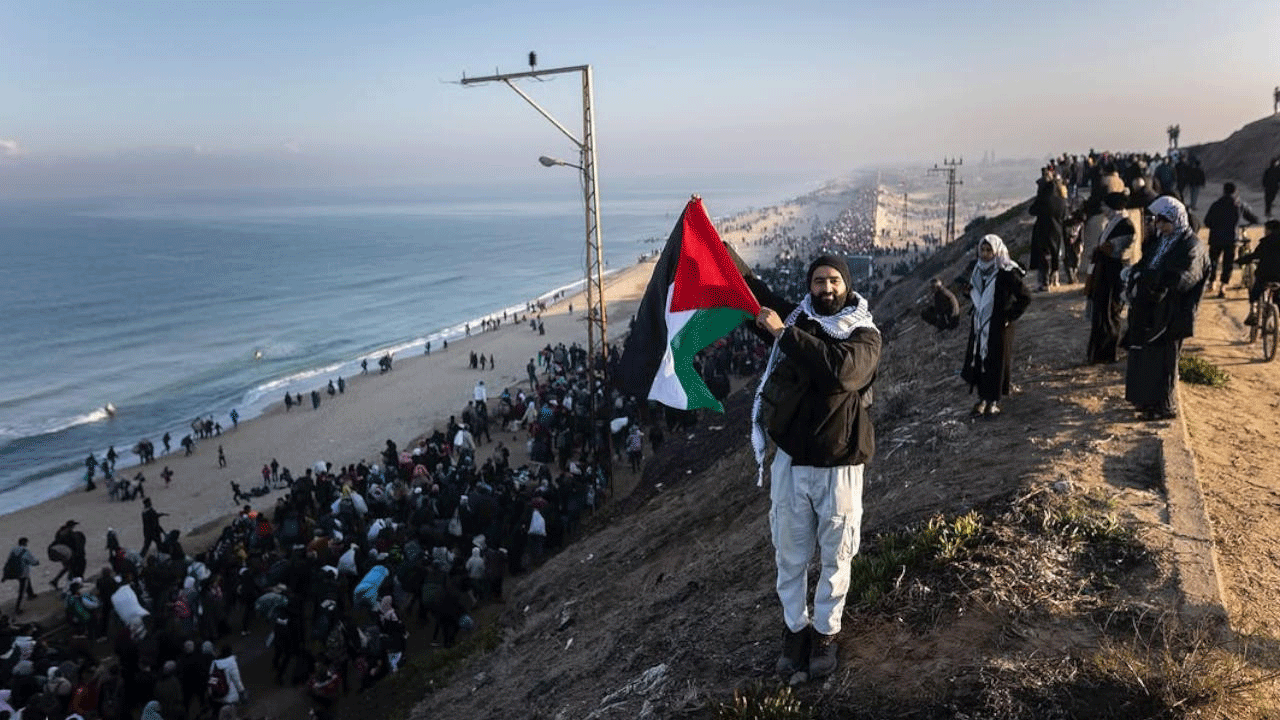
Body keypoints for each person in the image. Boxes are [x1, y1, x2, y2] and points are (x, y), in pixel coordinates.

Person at [744, 254, 881, 681]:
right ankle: (795, 630)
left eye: (834, 280)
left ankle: (825, 633)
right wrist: (726, 258)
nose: (826, 288)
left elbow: (840, 371)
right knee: (790, 555)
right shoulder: (799, 320)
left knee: (838, 555)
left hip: (839, 466)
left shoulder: (864, 334)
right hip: (791, 464)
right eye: (819, 280)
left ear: (847, 284)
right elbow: (758, 299)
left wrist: (784, 334)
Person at [1125, 196, 1210, 420]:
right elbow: (1148, 262)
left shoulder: (1191, 245)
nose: (1160, 225)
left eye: (1164, 220)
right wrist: (1136, 272)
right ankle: (1146, 402)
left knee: (1165, 360)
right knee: (1147, 356)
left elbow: (1185, 278)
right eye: (1158, 220)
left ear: (1176, 218)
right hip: (1152, 308)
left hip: (1172, 311)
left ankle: (1164, 406)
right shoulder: (1164, 241)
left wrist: (1154, 278)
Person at [961, 235, 1031, 417]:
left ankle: (994, 401)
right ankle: (982, 399)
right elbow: (979, 294)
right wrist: (969, 294)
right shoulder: (977, 270)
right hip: (981, 324)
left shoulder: (1006, 271)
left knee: (996, 363)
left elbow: (1025, 297)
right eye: (982, 250)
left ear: (997, 251)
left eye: (989, 251)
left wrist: (1009, 315)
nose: (985, 255)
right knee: (981, 361)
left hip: (999, 326)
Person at [1086, 192, 1137, 364]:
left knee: (1110, 312)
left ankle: (1107, 354)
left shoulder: (1126, 225)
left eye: (1105, 206)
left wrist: (1100, 249)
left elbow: (1116, 250)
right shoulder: (1113, 223)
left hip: (1114, 274)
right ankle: (1098, 354)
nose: (1103, 209)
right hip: (1105, 272)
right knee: (1101, 312)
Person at [1202, 182, 1259, 297]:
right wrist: (1243, 224)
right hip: (1231, 239)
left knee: (1213, 261)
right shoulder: (1239, 204)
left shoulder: (1216, 204)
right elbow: (1254, 218)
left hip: (1216, 238)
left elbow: (1207, 221)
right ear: (1235, 191)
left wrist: (1215, 226)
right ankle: (1222, 287)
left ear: (1223, 191)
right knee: (1228, 264)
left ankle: (1211, 282)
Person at [1029, 169, 1067, 290]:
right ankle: (1054, 280)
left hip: (1042, 230)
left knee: (1043, 257)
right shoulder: (1061, 201)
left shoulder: (1043, 200)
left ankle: (1044, 283)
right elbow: (1064, 215)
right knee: (1055, 255)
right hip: (1057, 231)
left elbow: (1032, 211)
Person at [1237, 219, 1280, 326]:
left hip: (1265, 275)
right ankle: (1276, 318)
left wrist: (1241, 260)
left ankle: (1254, 312)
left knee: (1255, 291)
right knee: (1278, 296)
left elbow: (1255, 256)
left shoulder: (1265, 242)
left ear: (1270, 230)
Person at [208, 644, 247, 712]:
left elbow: (212, 678)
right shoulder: (231, 661)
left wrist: (211, 692)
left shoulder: (214, 663)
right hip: (230, 695)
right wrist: (241, 691)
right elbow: (236, 679)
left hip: (217, 695)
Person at [5, 537, 39, 614]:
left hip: (15, 572)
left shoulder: (13, 549)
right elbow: (33, 561)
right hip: (23, 572)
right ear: (25, 543)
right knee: (22, 589)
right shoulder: (26, 551)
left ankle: (31, 594)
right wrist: (37, 562)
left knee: (27, 581)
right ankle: (18, 608)